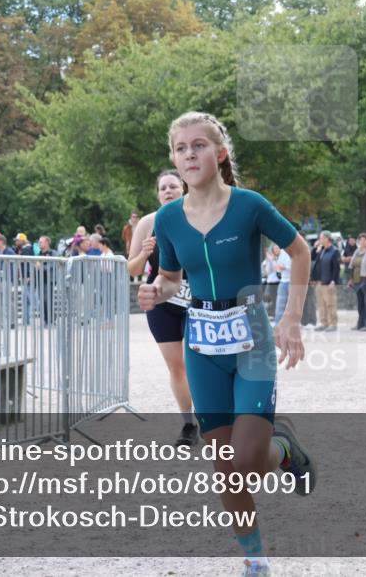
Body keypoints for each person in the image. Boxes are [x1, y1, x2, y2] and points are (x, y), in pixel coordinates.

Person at [137, 112, 313, 576]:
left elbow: (300, 251)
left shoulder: (249, 205)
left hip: (251, 338)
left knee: (250, 461)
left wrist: (290, 318)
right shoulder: (169, 219)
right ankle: (255, 560)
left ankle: (284, 450)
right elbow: (174, 279)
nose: (189, 154)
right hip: (202, 345)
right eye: (180, 148)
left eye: (198, 146)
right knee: (227, 468)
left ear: (219, 154)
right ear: (174, 159)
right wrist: (158, 290)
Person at [127, 169, 199, 448]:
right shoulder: (148, 222)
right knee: (177, 366)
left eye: (173, 186)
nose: (168, 191)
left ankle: (211, 418)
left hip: (196, 300)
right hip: (161, 302)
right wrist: (144, 253)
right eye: (163, 188)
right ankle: (188, 424)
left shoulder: (198, 216)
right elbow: (130, 268)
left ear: (183, 188)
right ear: (157, 194)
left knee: (200, 363)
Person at [314, 231, 341, 331]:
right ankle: (323, 322)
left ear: (327, 239)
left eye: (321, 238)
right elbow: (315, 262)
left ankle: (333, 323)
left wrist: (333, 280)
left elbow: (336, 268)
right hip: (320, 281)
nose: (319, 240)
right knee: (321, 304)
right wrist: (315, 249)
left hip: (329, 282)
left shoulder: (334, 251)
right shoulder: (322, 250)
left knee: (330, 303)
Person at [272, 245, 293, 325]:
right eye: (274, 249)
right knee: (279, 304)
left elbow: (291, 267)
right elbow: (278, 270)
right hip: (283, 281)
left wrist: (284, 267)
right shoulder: (278, 257)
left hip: (291, 281)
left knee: (291, 305)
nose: (275, 250)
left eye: (276, 248)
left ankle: (292, 324)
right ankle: (278, 324)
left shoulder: (285, 254)